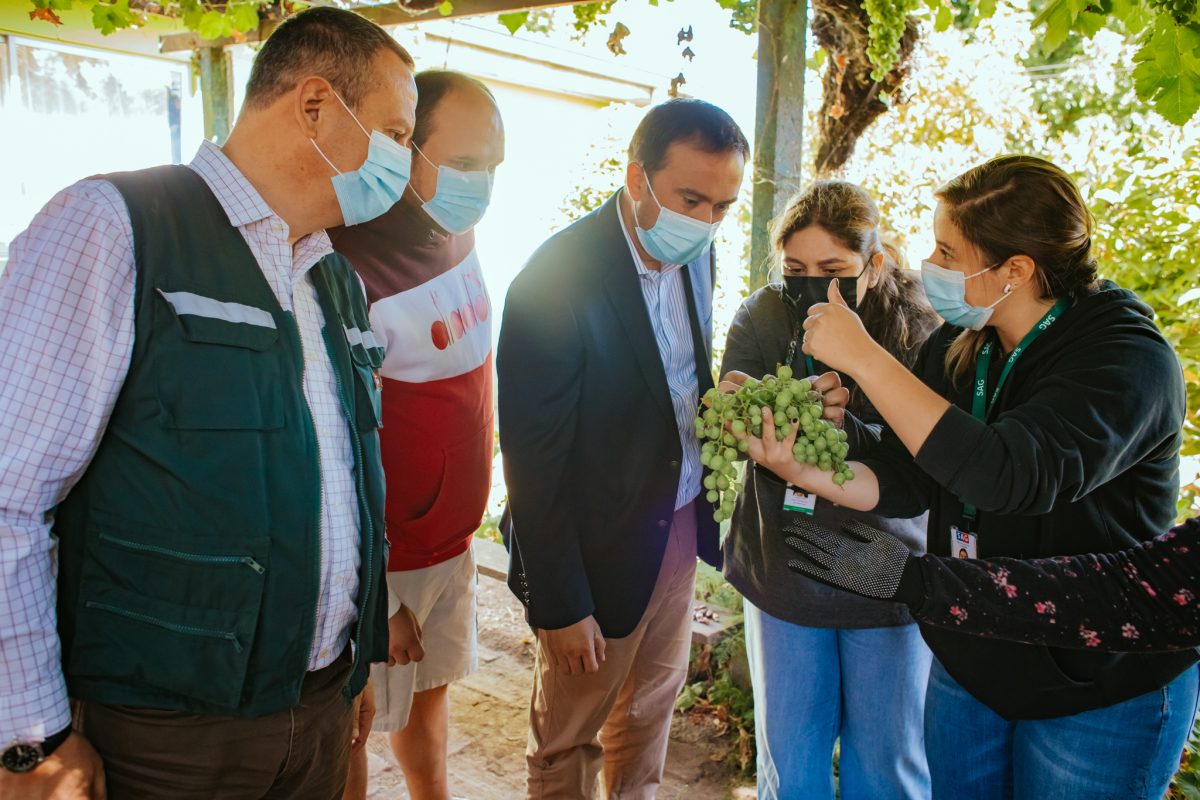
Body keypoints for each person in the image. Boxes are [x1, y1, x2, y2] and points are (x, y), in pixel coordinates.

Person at [0, 8, 416, 798]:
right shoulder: (118, 227)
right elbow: (8, 497)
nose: (405, 160)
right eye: (396, 133)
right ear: (315, 105)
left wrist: (351, 664)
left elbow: (346, 488)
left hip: (318, 711)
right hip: (166, 736)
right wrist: (31, 739)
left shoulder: (334, 280)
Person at [736, 154, 1197, 799]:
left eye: (948, 252)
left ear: (1015, 270)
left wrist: (864, 359)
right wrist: (802, 466)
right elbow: (908, 476)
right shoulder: (963, 344)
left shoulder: (1126, 359)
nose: (930, 264)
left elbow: (1008, 475)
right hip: (975, 650)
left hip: (1094, 680)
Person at [497, 98, 748, 798]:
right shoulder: (552, 282)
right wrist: (561, 604)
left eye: (723, 207)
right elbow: (532, 462)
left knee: (649, 714)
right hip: (590, 551)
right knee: (567, 740)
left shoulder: (696, 251)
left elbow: (679, 374)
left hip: (676, 523)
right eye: (690, 200)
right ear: (637, 177)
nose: (705, 222)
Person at [718, 181, 939, 800]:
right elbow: (731, 422)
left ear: (876, 263)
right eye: (795, 271)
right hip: (783, 574)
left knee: (889, 769)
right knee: (792, 768)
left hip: (889, 579)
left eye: (834, 270)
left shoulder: (922, 329)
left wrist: (851, 429)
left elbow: (927, 457)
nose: (813, 285)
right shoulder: (763, 315)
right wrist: (742, 413)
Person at [331, 69, 504, 800]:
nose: (480, 183)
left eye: (493, 165)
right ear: (404, 148)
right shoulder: (346, 264)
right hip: (386, 561)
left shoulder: (456, 231)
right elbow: (337, 450)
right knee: (351, 726)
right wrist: (376, 594)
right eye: (464, 163)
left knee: (429, 704)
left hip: (450, 544)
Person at [784, 514, 1200, 652]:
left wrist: (919, 581)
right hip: (974, 668)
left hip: (1102, 689)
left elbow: (1140, 595)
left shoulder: (1138, 359)